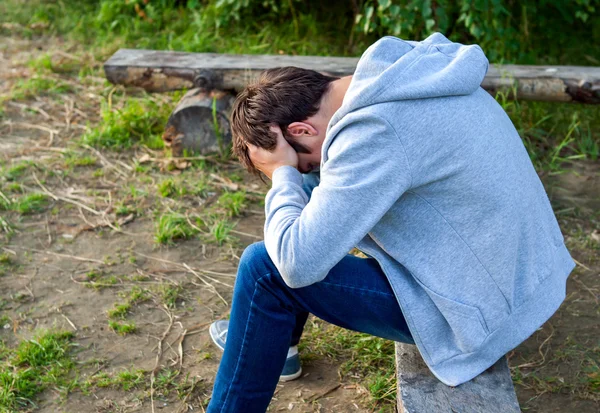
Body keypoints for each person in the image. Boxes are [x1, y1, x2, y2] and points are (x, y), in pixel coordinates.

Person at [206, 33, 575, 413]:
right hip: (520, 273)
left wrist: (284, 175)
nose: (307, 169)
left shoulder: (375, 131)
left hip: (482, 311)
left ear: (301, 130)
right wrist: (298, 172)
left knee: (265, 270)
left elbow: (298, 264)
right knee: (312, 195)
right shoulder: (403, 75)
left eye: (304, 160)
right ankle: (272, 342)